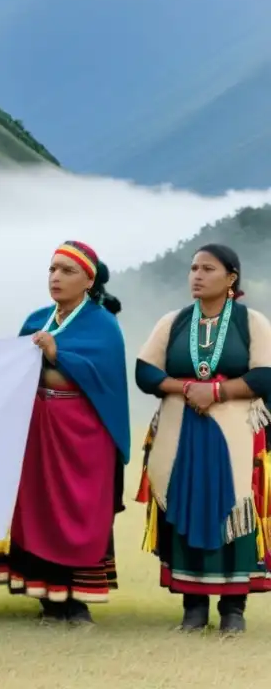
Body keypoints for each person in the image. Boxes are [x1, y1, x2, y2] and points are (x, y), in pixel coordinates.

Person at [135, 244, 271, 633]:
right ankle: (192, 608)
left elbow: (265, 375)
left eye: (207, 269)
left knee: (234, 508)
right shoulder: (174, 321)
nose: (196, 275)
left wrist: (216, 393)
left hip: (235, 435)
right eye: (193, 268)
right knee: (183, 505)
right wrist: (184, 387)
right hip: (181, 433)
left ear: (231, 278)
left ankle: (233, 611)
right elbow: (145, 372)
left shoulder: (251, 322)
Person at [0, 241, 130, 625]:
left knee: (78, 506)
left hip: (83, 432)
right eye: (52, 269)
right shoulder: (38, 317)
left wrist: (56, 353)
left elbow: (105, 379)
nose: (56, 277)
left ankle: (76, 599)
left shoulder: (103, 324)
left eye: (67, 271)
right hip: (37, 427)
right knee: (38, 504)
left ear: (89, 279)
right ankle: (47, 597)